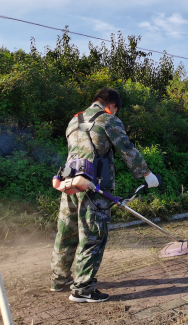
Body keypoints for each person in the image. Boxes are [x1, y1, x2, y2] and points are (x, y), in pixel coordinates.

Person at [50, 87, 160, 303]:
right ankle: (83, 290)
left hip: (69, 183)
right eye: (116, 110)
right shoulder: (109, 120)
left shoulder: (74, 120)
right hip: (95, 188)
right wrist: (146, 174)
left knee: (66, 232)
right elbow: (126, 149)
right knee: (93, 236)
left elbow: (76, 153)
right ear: (111, 106)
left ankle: (59, 280)